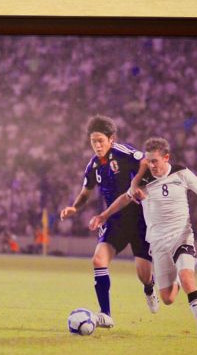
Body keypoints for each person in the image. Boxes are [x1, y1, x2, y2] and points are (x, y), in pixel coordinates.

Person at [90, 136, 197, 339]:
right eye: (148, 161)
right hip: (157, 242)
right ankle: (174, 276)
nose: (151, 165)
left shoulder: (181, 173)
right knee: (167, 298)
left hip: (181, 236)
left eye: (155, 161)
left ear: (166, 158)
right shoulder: (143, 181)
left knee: (187, 278)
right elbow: (124, 198)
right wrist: (104, 215)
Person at [59, 115, 157, 328]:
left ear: (111, 139)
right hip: (115, 220)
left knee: (144, 276)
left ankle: (150, 288)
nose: (97, 145)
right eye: (93, 141)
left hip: (140, 220)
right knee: (98, 260)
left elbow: (146, 161)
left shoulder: (123, 152)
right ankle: (106, 314)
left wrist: (139, 184)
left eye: (100, 140)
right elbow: (86, 192)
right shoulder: (93, 166)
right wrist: (74, 207)